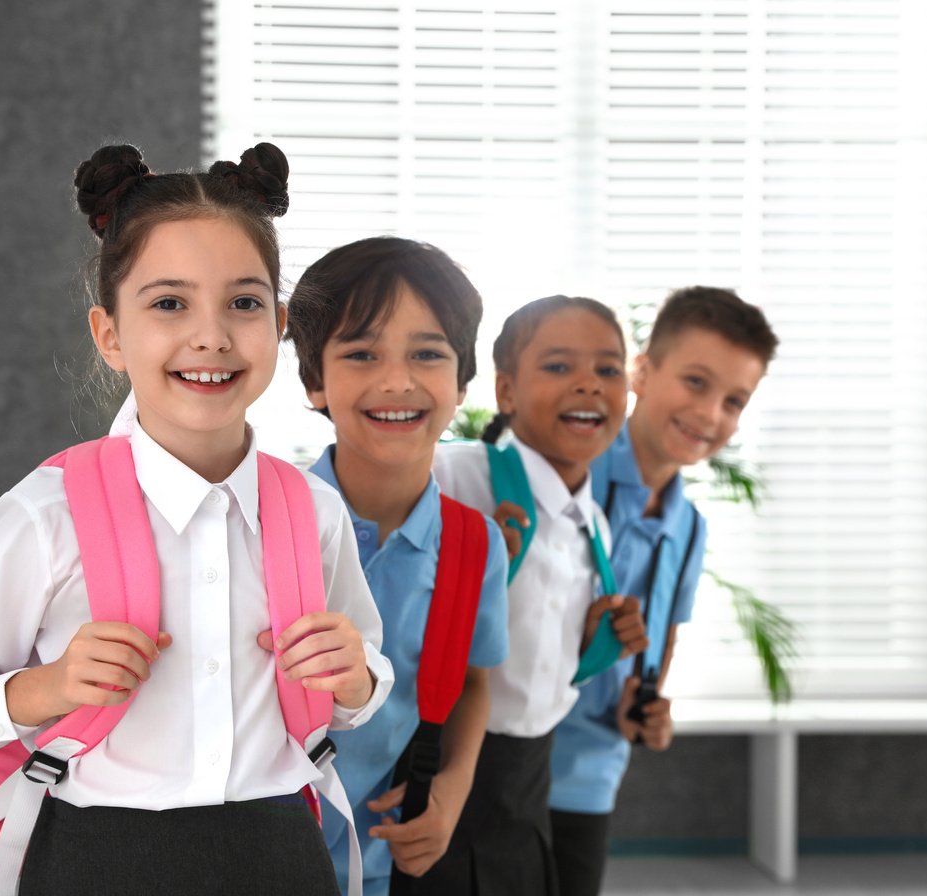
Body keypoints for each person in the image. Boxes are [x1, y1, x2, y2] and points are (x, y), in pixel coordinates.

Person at [0, 142, 393, 896]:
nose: (211, 335)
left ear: (279, 326)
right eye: (168, 303)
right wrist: (46, 688)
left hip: (282, 852)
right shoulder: (47, 514)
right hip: (97, 857)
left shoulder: (311, 509)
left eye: (244, 303)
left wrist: (354, 680)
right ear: (110, 335)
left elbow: (367, 675)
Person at [285, 235, 510, 896]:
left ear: (461, 381)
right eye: (361, 353)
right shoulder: (264, 523)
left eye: (427, 354)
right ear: (313, 382)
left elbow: (471, 681)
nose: (396, 381)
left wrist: (450, 789)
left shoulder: (476, 546)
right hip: (249, 847)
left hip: (371, 859)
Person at [547, 285, 778, 896]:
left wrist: (644, 708)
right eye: (696, 382)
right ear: (642, 373)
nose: (710, 415)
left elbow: (660, 644)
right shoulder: (567, 471)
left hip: (589, 775)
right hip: (502, 765)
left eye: (734, 401)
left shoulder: (688, 525)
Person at [426, 295, 649, 896]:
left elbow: (538, 672)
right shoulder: (453, 476)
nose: (588, 385)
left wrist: (592, 645)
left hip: (527, 785)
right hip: (442, 770)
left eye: (608, 369)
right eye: (558, 366)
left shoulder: (594, 528)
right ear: (505, 392)